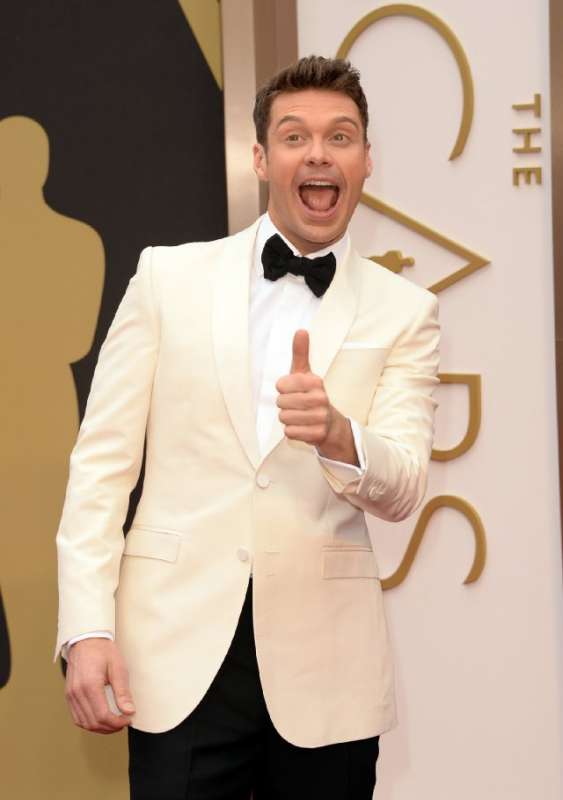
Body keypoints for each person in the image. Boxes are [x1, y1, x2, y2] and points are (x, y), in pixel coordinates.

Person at [54, 55, 440, 799]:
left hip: (327, 674)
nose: (318, 154)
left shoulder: (406, 311)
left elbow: (403, 487)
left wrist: (339, 435)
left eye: (340, 136)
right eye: (295, 137)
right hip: (176, 661)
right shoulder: (167, 278)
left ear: (366, 160)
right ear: (261, 158)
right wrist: (87, 628)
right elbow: (101, 467)